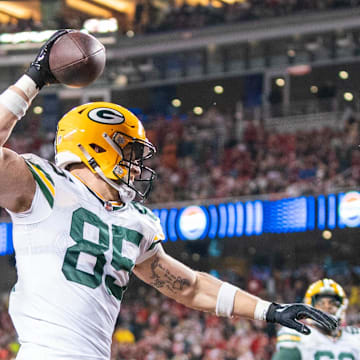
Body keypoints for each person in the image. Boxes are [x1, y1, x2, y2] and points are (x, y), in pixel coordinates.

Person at [0, 30, 337, 360]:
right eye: (129, 149)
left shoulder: (134, 220)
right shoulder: (40, 185)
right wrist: (33, 79)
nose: (136, 165)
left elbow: (189, 286)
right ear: (94, 145)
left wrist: (270, 310)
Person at [272, 278, 360, 360]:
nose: (327, 307)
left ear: (341, 306)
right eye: (321, 303)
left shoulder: (355, 336)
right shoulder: (299, 335)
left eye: (332, 303)